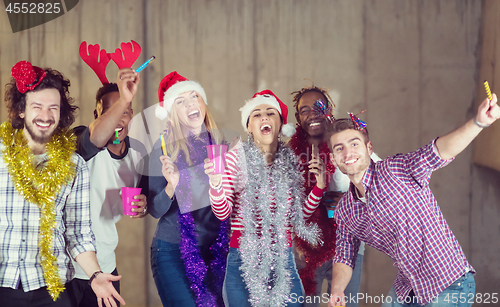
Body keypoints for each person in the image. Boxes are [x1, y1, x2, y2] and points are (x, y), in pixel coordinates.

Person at [326, 94, 500, 307]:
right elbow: (345, 253)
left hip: (448, 283)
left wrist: (478, 122)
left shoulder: (395, 170)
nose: (348, 153)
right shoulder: (346, 210)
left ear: (369, 149)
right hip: (408, 286)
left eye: (354, 144)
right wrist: (336, 289)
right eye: (339, 148)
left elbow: (438, 152)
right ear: (334, 158)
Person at [0, 60, 125, 307]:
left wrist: (96, 275)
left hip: (53, 289)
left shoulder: (74, 164)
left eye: (53, 108)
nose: (46, 116)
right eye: (37, 107)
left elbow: (78, 233)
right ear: (21, 110)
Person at [205, 90, 325, 307]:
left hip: (282, 258)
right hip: (243, 259)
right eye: (256, 114)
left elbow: (298, 217)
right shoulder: (235, 157)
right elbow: (223, 213)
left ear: (280, 124)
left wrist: (319, 187)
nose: (264, 118)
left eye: (271, 113)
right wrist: (215, 183)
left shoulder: (291, 161)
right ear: (249, 126)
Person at [68, 67, 148, 307]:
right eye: (111, 111)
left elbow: (141, 201)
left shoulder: (139, 154)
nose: (119, 119)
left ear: (131, 115)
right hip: (69, 269)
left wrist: (142, 207)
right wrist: (124, 98)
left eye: (124, 112)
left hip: (106, 266)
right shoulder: (83, 141)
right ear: (97, 115)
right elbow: (96, 135)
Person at [148, 71, 228, 307]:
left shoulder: (220, 146)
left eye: (194, 96)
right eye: (180, 101)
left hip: (215, 251)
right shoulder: (163, 148)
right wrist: (171, 186)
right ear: (173, 113)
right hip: (172, 251)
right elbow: (155, 209)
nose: (190, 103)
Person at [289, 85, 371, 307]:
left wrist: (349, 200)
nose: (312, 114)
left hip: (347, 246)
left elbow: (379, 186)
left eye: (318, 107)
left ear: (329, 109)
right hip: (305, 249)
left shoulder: (348, 142)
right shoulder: (289, 154)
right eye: (304, 110)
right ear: (298, 117)